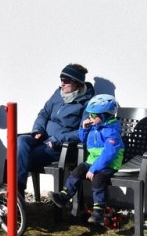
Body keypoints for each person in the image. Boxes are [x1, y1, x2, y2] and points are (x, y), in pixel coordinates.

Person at [16, 63, 94, 197]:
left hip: (61, 147)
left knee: (20, 157)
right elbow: (44, 113)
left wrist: (57, 139)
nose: (62, 83)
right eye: (61, 79)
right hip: (43, 138)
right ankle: (14, 191)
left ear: (78, 84)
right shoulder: (58, 94)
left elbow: (83, 132)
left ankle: (16, 192)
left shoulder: (87, 103)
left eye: (66, 80)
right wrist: (38, 130)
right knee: (20, 140)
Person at [49, 94, 124, 225]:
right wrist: (84, 129)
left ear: (104, 115)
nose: (90, 117)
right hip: (92, 161)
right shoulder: (95, 127)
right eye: (89, 114)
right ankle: (64, 197)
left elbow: (108, 154)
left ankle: (99, 212)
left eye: (93, 115)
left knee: (98, 179)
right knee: (77, 171)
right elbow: (84, 141)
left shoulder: (112, 132)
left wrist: (93, 169)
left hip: (109, 164)